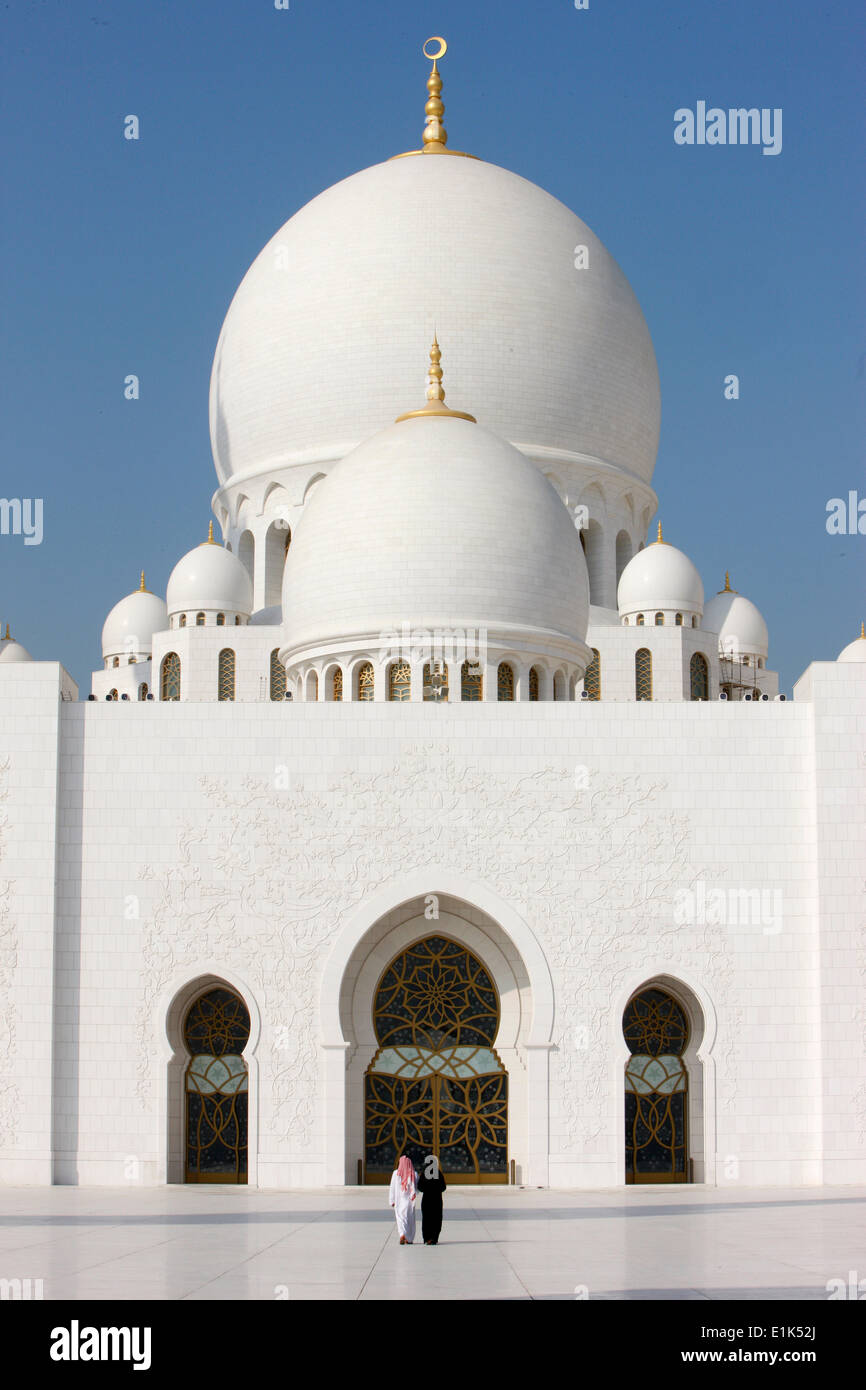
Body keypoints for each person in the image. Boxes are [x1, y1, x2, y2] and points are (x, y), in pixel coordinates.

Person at [417, 1155, 447, 1244]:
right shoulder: (438, 1173)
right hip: (437, 1200)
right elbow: (443, 1187)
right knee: (436, 1218)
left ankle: (427, 1238)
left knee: (427, 1219)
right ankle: (434, 1238)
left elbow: (420, 1187)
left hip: (426, 1200)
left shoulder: (424, 1174)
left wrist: (428, 1189)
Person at [388, 1153, 417, 1244]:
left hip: (399, 1200)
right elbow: (416, 1188)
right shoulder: (413, 1173)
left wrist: (392, 1200)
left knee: (401, 1218)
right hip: (410, 1201)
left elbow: (392, 1188)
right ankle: (409, 1238)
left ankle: (402, 1234)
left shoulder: (396, 1173)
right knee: (410, 1219)